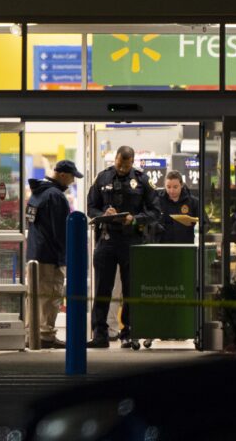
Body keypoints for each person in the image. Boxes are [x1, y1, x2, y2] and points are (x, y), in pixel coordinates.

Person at [87, 146, 161, 348]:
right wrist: (104, 212)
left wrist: (135, 219)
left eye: (125, 165)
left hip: (131, 241)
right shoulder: (102, 178)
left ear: (132, 162)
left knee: (130, 290)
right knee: (103, 288)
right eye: (119, 163)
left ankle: (127, 332)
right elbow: (91, 207)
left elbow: (155, 212)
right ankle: (100, 334)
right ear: (115, 159)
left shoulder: (142, 180)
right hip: (107, 239)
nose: (121, 168)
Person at [25, 159, 83, 349]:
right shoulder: (55, 196)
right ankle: (45, 335)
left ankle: (31, 333)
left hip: (35, 254)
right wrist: (66, 256)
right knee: (50, 296)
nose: (73, 181)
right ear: (63, 175)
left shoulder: (37, 194)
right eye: (72, 177)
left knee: (35, 297)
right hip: (50, 256)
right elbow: (61, 231)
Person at [158, 170, 206, 244]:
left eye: (175, 187)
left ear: (181, 185)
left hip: (186, 247)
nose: (171, 190)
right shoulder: (158, 200)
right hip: (162, 247)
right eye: (168, 187)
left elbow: (205, 222)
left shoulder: (193, 202)